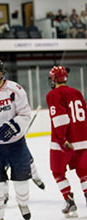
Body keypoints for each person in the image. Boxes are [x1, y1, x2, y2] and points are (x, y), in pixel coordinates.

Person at [0, 57, 41, 220]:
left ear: (1, 71)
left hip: (16, 144)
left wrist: (14, 126)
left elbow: (25, 113)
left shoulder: (16, 89)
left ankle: (22, 203)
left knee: (22, 182)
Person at [46, 66, 87, 218]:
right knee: (84, 173)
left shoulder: (53, 94)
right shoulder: (77, 92)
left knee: (57, 171)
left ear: (54, 79)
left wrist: (63, 139)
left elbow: (60, 118)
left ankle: (69, 200)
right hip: (83, 140)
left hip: (63, 142)